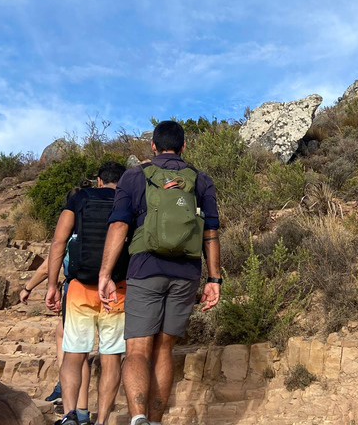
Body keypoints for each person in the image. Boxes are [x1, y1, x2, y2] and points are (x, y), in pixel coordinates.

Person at [98, 121, 221, 425]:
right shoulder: (200, 180)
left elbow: (119, 225)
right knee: (164, 348)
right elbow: (211, 232)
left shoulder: (134, 176)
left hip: (145, 268)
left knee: (137, 348)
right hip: (187, 271)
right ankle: (154, 421)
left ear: (153, 146)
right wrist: (214, 279)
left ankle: (138, 418)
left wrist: (106, 273)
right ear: (183, 147)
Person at [46, 162, 129, 425]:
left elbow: (59, 242)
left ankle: (70, 416)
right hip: (117, 290)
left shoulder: (80, 198)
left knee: (73, 355)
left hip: (80, 288)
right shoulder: (129, 199)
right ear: (123, 181)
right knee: (111, 358)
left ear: (99, 180)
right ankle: (102, 420)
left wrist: (51, 285)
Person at [20, 184, 93, 421]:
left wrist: (29, 287)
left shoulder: (71, 229)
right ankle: (79, 407)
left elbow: (48, 263)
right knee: (64, 334)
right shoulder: (102, 222)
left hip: (77, 289)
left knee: (74, 346)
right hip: (112, 288)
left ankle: (72, 402)